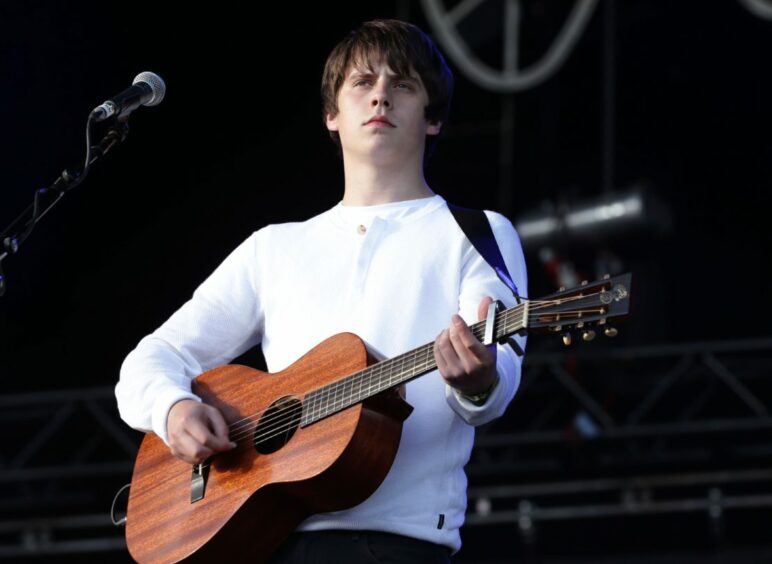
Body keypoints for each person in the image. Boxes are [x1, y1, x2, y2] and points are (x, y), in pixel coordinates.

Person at [116, 18, 527, 563]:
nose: (381, 94)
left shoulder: (478, 233)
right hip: (271, 537)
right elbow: (150, 359)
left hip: (403, 544)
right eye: (362, 82)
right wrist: (173, 410)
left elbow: (496, 387)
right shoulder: (276, 248)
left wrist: (478, 381)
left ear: (432, 120)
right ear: (332, 115)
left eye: (403, 84)